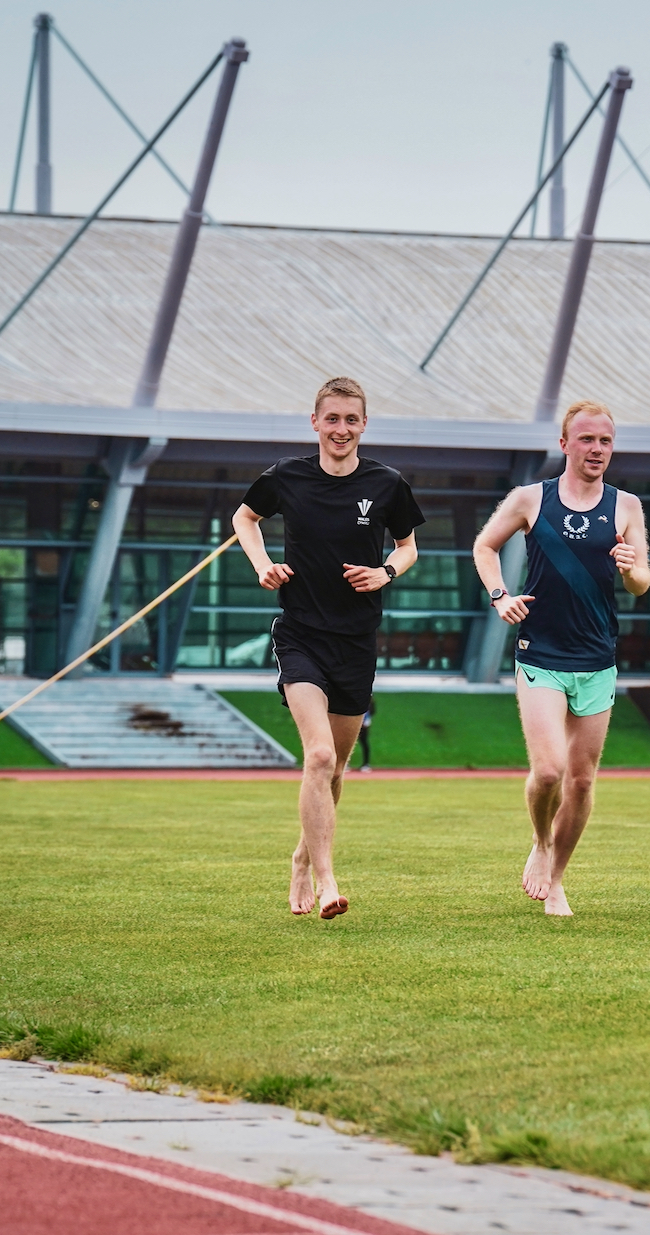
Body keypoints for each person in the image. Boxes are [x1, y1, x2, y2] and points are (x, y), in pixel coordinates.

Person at [234, 377, 425, 919]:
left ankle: (300, 854)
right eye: (332, 419)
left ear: (364, 425)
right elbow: (244, 518)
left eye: (351, 420)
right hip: (300, 635)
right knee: (317, 755)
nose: (341, 429)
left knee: (335, 769)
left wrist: (386, 571)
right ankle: (325, 879)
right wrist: (262, 563)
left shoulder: (386, 483)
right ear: (314, 422)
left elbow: (409, 547)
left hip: (356, 642)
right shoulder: (285, 476)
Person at [473, 400, 650, 916]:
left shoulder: (627, 506)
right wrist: (500, 596)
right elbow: (485, 546)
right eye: (587, 439)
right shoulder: (531, 498)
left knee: (582, 779)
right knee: (549, 772)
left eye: (606, 441)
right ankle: (541, 843)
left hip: (597, 657)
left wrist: (630, 565)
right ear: (565, 444)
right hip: (541, 654)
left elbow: (641, 584)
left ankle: (558, 878)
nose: (597, 449)